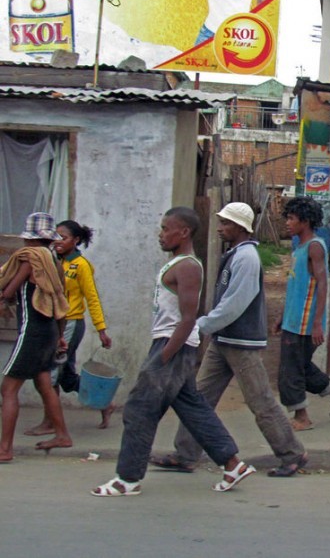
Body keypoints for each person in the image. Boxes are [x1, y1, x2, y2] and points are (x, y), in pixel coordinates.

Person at [92, 207, 254, 496]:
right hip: (171, 344)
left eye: (167, 228)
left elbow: (188, 318)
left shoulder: (188, 266)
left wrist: (163, 358)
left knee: (139, 409)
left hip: (173, 345)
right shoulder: (178, 263)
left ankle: (127, 479)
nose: (161, 234)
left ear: (184, 232)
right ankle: (233, 464)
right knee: (192, 408)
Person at [151, 203, 308, 477]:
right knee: (199, 398)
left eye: (226, 224)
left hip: (241, 342)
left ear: (240, 227)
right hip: (225, 339)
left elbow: (236, 303)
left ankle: (292, 454)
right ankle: (186, 453)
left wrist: (201, 326)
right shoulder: (235, 253)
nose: (221, 228)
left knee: (260, 401)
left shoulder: (247, 257)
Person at [24, 220, 114, 437]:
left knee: (50, 373)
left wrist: (101, 329)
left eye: (63, 238)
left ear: (76, 240)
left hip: (71, 325)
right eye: (55, 237)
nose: (58, 242)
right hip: (54, 324)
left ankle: (50, 422)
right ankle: (105, 404)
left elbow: (92, 298)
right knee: (66, 377)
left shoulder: (81, 266)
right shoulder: (53, 260)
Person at [0, 212, 72, 461]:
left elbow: (9, 291)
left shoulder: (30, 258)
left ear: (30, 239)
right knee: (44, 383)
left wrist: (7, 293)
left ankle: (5, 450)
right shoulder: (52, 259)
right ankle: (62, 434)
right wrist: (60, 336)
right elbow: (60, 299)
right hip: (49, 330)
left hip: (31, 330)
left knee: (8, 389)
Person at [275, 197, 330, 432]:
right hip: (293, 319)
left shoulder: (315, 246)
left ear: (305, 221)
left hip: (304, 323)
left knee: (291, 371)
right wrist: (282, 315)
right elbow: (296, 287)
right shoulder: (299, 248)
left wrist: (317, 323)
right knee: (300, 366)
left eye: (291, 218)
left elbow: (322, 283)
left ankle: (302, 417)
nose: (287, 223)